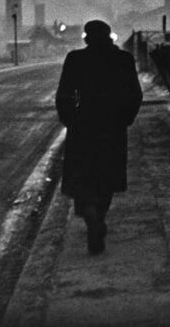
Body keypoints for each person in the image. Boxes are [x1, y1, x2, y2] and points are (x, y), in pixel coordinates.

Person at [55, 20, 143, 254]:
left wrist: (70, 119)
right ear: (109, 37)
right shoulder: (123, 60)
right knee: (108, 175)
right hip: (112, 125)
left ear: (87, 39)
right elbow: (135, 93)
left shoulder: (75, 59)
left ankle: (91, 215)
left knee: (82, 175)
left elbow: (63, 94)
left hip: (83, 125)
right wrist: (125, 118)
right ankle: (99, 214)